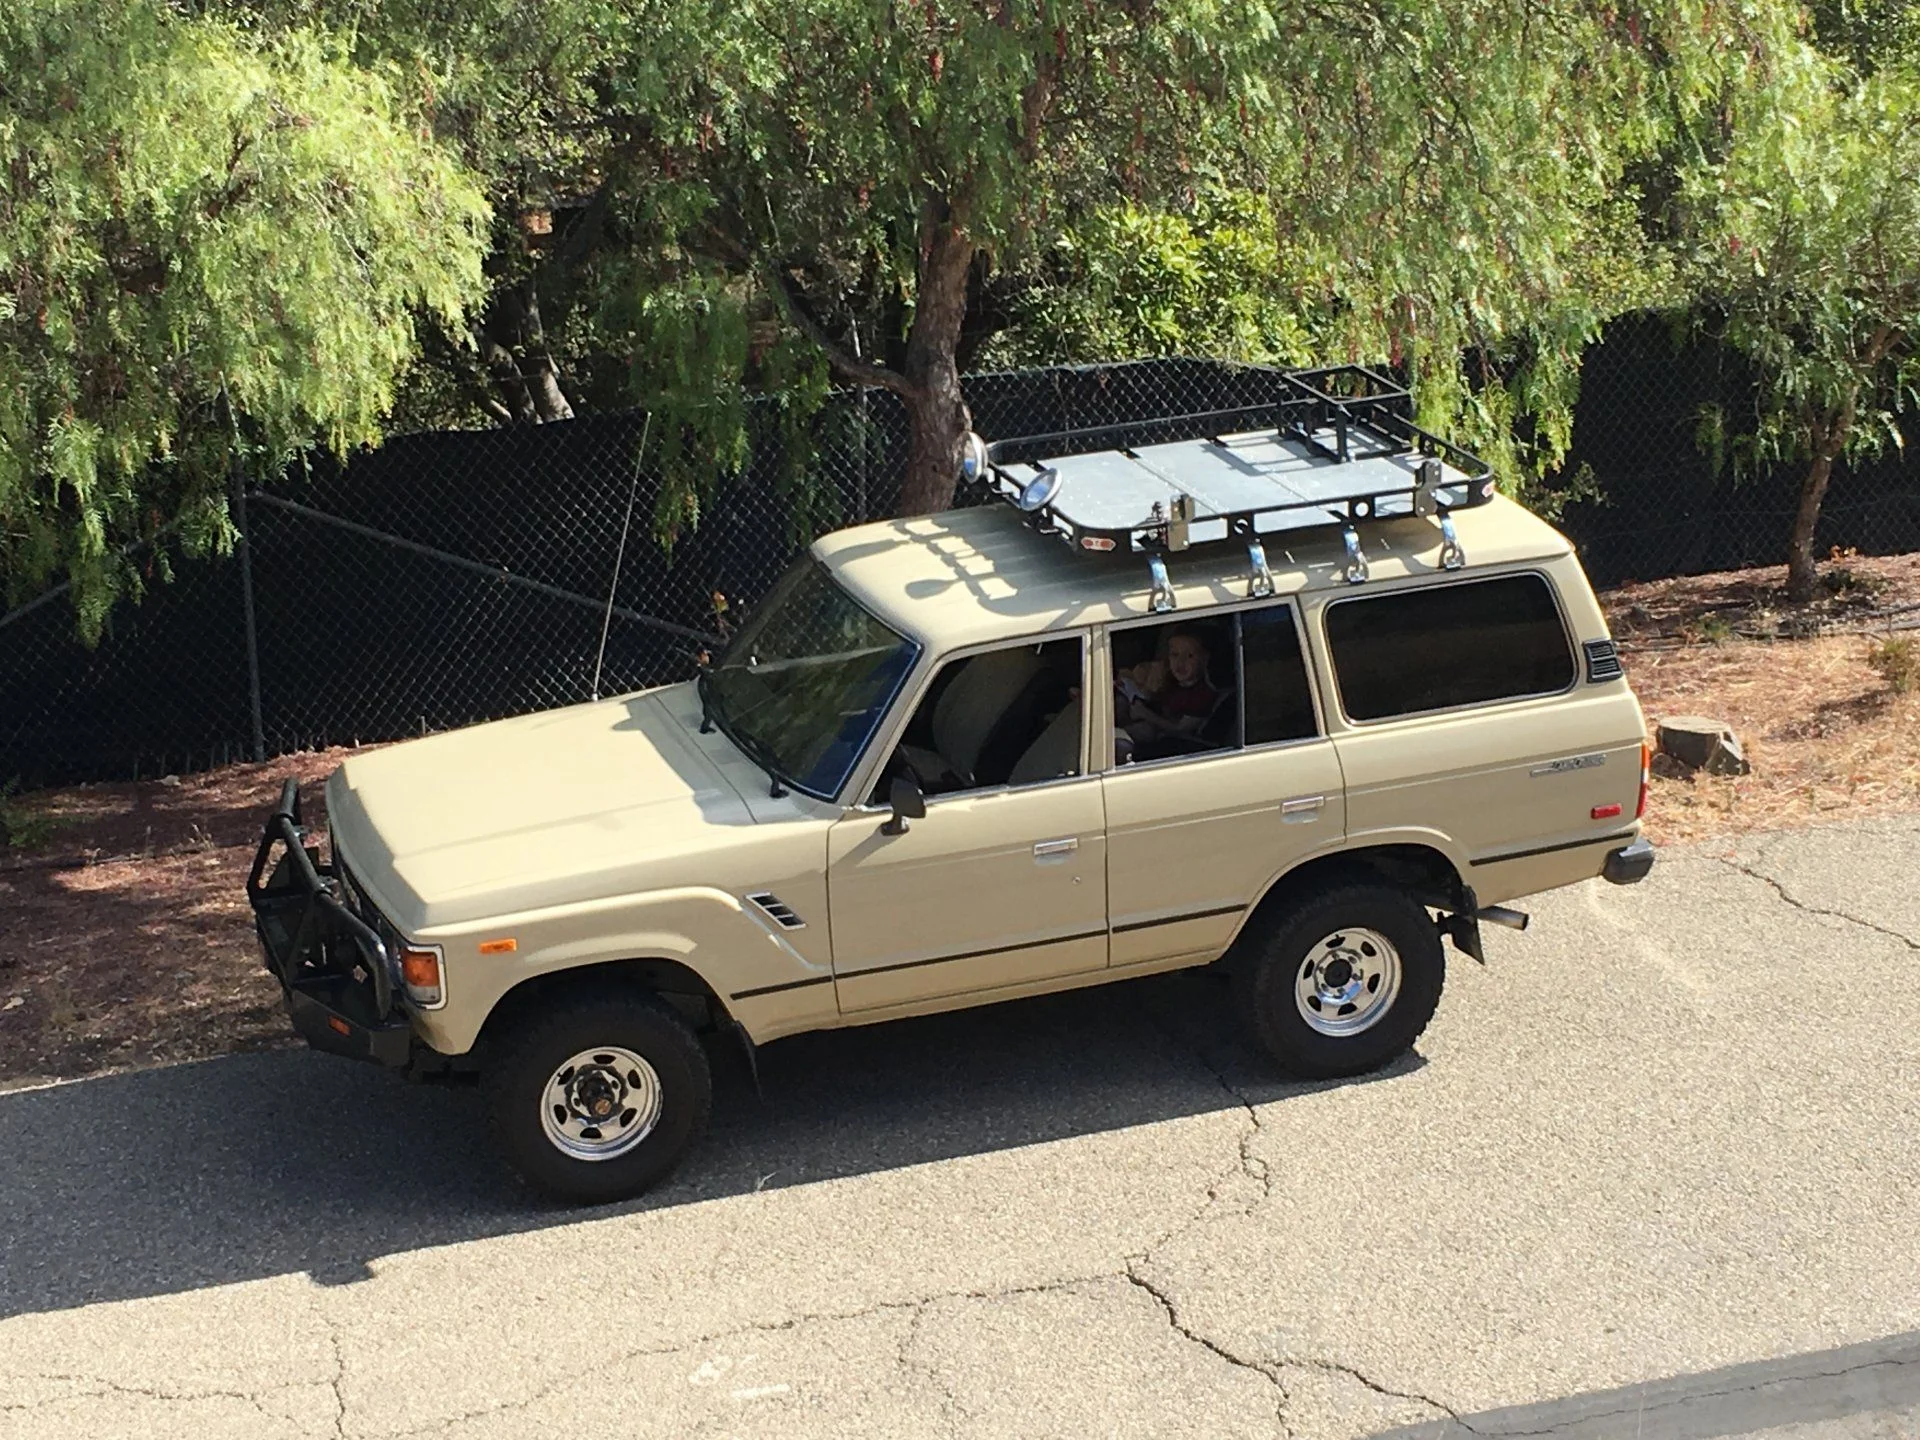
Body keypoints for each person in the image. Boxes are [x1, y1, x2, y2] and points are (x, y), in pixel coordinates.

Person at [1122, 629, 1219, 753]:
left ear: (1205, 659)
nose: (1180, 662)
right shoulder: (1172, 682)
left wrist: (1145, 714)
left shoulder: (1202, 694)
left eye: (1190, 656)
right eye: (1174, 655)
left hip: (1174, 745)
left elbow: (1180, 728)